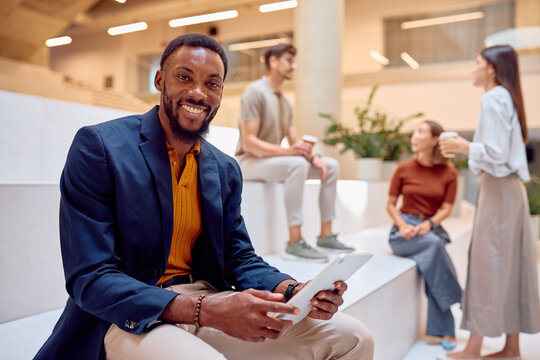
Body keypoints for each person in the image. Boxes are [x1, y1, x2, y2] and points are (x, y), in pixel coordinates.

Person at [33, 33, 374, 360]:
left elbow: (239, 257)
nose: (199, 93)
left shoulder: (224, 168)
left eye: (212, 83)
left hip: (206, 299)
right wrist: (207, 311)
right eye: (184, 77)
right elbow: (90, 277)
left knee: (353, 338)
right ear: (159, 80)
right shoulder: (100, 147)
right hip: (127, 316)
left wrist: (292, 290)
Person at [439, 45, 540, 360]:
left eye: (477, 63)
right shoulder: (507, 98)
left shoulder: (493, 97)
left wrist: (463, 145)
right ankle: (511, 347)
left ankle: (473, 348)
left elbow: (495, 153)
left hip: (499, 192)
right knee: (513, 266)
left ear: (492, 68)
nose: (473, 69)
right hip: (509, 193)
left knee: (487, 265)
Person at [236, 43, 353, 262]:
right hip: (248, 162)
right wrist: (290, 152)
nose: (294, 66)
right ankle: (294, 241)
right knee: (296, 165)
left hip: (271, 161)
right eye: (289, 60)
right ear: (273, 61)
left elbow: (294, 140)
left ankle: (326, 235)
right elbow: (249, 142)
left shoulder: (285, 102)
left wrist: (313, 157)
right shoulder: (255, 92)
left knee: (332, 166)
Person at [386, 120, 462, 351]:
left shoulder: (449, 172)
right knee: (435, 247)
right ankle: (459, 305)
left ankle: (446, 329)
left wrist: (429, 224)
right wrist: (402, 225)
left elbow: (446, 208)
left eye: (421, 132)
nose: (414, 136)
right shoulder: (403, 168)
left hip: (430, 227)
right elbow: (390, 204)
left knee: (433, 259)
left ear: (434, 140)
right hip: (403, 231)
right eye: (415, 132)